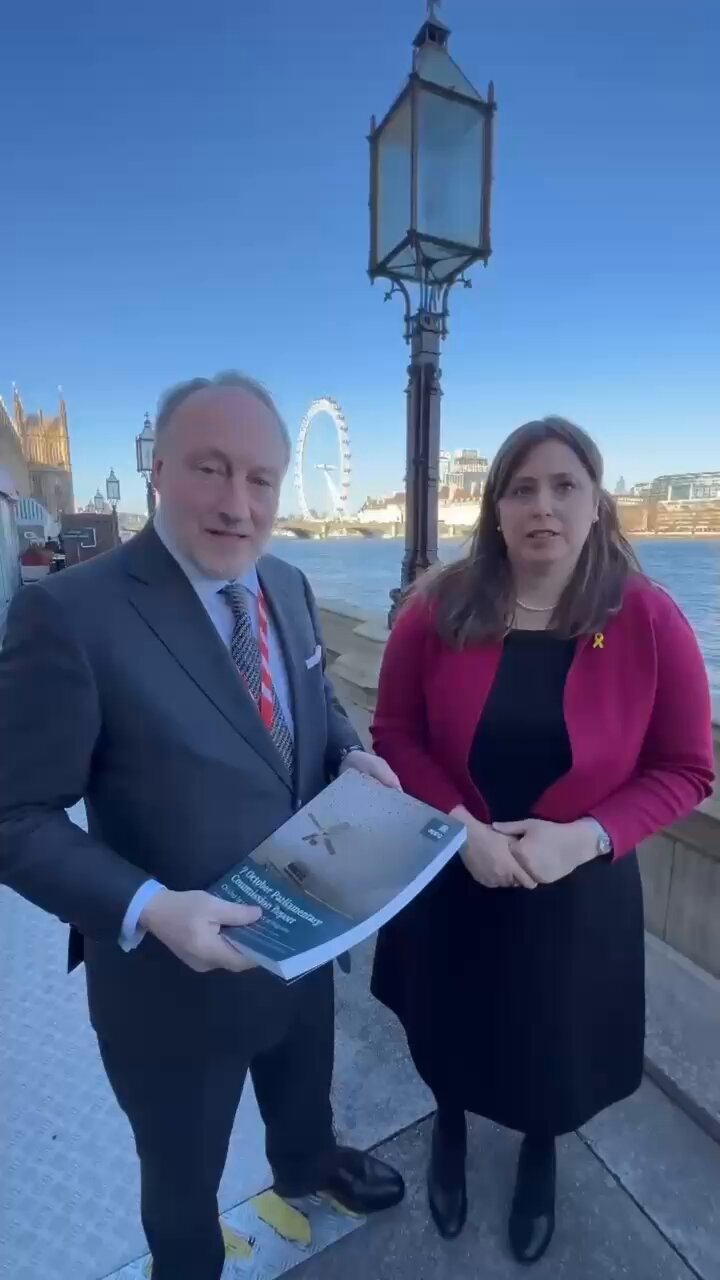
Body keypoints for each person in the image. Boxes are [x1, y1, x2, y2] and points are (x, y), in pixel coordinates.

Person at [0, 372, 404, 1280]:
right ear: (157, 470)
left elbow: (311, 706)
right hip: (169, 988)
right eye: (210, 469)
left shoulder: (288, 584)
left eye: (261, 478)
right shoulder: (67, 614)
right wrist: (148, 907)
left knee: (304, 1094)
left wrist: (347, 754)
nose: (237, 503)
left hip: (304, 942)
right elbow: (15, 815)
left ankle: (307, 1163)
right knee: (183, 1182)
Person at [370, 417, 715, 1265]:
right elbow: (396, 735)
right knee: (447, 1019)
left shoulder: (646, 618)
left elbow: (686, 768)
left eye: (565, 487)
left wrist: (587, 838)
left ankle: (539, 1150)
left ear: (597, 503)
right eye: (521, 489)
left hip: (575, 887)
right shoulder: (438, 609)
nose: (542, 506)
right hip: (452, 870)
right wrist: (461, 832)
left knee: (549, 1036)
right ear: (494, 509)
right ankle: (449, 1127)